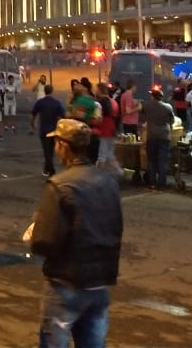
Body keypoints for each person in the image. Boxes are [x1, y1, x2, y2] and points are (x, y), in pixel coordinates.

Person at [29, 119, 124, 348]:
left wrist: (37, 225)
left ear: (63, 145)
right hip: (99, 282)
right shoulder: (108, 182)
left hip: (66, 282)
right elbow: (115, 226)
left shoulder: (60, 185)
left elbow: (43, 242)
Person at [141, 89, 175, 191]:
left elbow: (143, 115)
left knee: (151, 160)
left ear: (153, 97)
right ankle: (162, 184)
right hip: (164, 136)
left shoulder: (147, 106)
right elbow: (172, 121)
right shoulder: (168, 107)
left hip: (151, 136)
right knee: (162, 161)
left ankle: (152, 183)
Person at [30, 85, 65, 177]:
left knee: (46, 151)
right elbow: (63, 115)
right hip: (54, 129)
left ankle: (50, 169)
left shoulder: (40, 102)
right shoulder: (56, 103)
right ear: (52, 91)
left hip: (44, 129)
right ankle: (47, 168)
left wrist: (32, 125)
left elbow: (34, 114)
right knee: (51, 150)